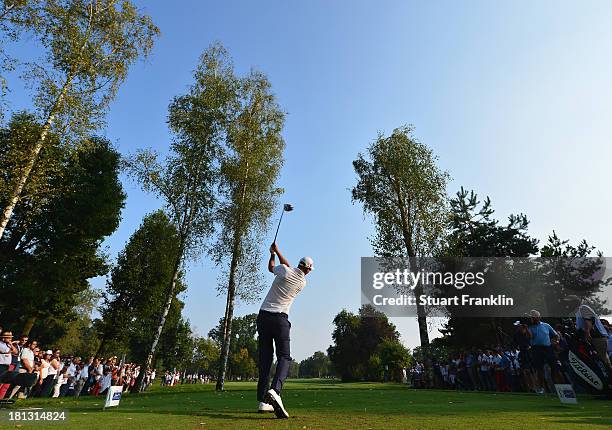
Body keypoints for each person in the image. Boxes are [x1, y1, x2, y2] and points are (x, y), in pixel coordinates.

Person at [256, 242, 312, 419]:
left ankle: (263, 401)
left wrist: (273, 253)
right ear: (309, 270)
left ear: (299, 264)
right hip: (280, 320)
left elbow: (272, 267)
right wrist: (277, 251)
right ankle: (275, 391)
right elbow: (287, 267)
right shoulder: (302, 282)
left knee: (265, 359)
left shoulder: (284, 271)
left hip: (263, 317)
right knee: (284, 357)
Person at [526, 309, 559, 394]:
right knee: (539, 369)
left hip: (547, 348)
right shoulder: (529, 327)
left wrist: (555, 342)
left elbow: (555, 335)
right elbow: (530, 337)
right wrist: (526, 329)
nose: (532, 318)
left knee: (554, 367)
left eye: (534, 316)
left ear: (539, 317)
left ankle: (557, 386)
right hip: (536, 349)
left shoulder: (546, 325)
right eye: (531, 316)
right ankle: (541, 388)